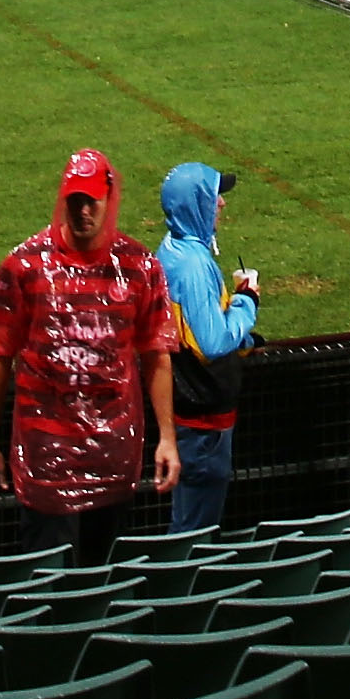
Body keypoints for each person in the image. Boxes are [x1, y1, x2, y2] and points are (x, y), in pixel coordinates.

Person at [0, 147, 179, 561]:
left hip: (113, 457)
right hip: (45, 460)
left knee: (107, 579)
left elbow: (157, 353)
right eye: (74, 200)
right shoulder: (26, 265)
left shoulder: (139, 268)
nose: (83, 211)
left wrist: (168, 438)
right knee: (47, 582)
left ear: (109, 199)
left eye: (91, 201)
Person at [151, 159, 260, 534]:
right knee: (195, 533)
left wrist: (244, 340)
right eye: (215, 197)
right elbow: (212, 342)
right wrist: (248, 302)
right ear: (196, 203)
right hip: (204, 425)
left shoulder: (170, 251)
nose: (222, 204)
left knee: (188, 521)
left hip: (187, 416)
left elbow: (192, 330)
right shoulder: (194, 266)